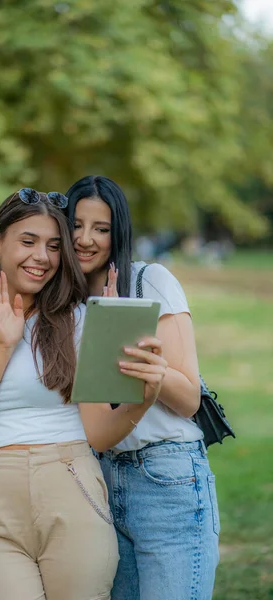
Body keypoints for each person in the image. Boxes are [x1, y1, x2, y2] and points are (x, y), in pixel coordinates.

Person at [0, 188, 167, 600]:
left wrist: (143, 401)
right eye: (28, 241)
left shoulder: (79, 321)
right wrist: (3, 346)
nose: (41, 257)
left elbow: (98, 433)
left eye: (54, 246)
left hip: (72, 486)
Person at [65, 175, 220, 600]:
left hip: (165, 478)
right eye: (76, 225)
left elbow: (189, 398)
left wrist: (142, 359)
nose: (85, 239)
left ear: (118, 234)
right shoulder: (66, 305)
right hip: (98, 482)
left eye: (100, 228)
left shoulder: (150, 282)